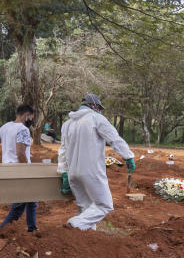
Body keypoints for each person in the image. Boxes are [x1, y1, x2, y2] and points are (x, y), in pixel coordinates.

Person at [57, 93, 135, 230]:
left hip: (73, 173)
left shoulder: (67, 124)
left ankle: (84, 237)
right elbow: (114, 139)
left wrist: (64, 172)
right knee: (105, 205)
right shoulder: (96, 118)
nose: (99, 110)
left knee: (85, 208)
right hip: (91, 172)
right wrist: (127, 156)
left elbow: (62, 150)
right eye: (99, 107)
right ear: (93, 105)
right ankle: (74, 224)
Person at [0, 104, 39, 234]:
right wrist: (28, 172)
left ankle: (32, 229)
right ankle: (2, 231)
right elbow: (20, 154)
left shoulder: (5, 127)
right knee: (19, 206)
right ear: (26, 115)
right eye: (31, 118)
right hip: (19, 171)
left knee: (32, 199)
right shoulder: (23, 130)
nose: (31, 121)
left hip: (7, 169)